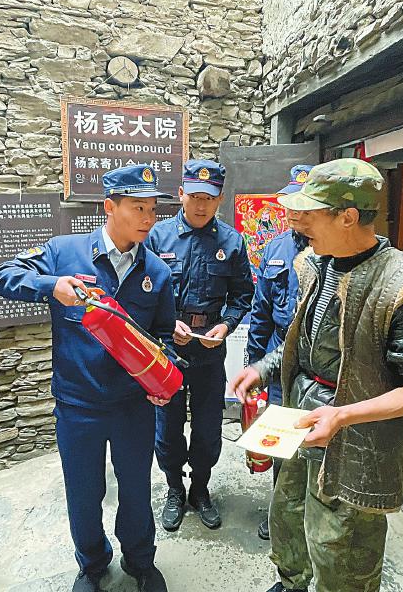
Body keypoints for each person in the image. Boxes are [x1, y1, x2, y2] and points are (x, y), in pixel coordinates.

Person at [230, 159, 403, 592]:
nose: (298, 223)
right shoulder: (315, 265)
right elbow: (302, 343)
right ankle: (291, 582)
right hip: (300, 419)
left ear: (348, 216)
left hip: (359, 436)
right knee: (289, 515)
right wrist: (263, 367)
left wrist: (342, 415)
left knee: (342, 544)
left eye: (310, 214)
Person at [0, 164, 175, 592]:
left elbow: (162, 335)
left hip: (133, 407)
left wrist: (160, 378)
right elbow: (3, 277)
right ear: (109, 207)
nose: (149, 219)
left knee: (136, 490)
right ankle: (92, 564)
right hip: (78, 407)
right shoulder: (64, 252)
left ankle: (140, 562)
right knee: (83, 492)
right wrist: (51, 285)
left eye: (153, 209)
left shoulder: (158, 272)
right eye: (139, 208)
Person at [146, 159, 254, 531]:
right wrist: (165, 324)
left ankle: (201, 489)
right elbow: (144, 294)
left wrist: (225, 325)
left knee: (208, 428)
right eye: (194, 196)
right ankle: (174, 489)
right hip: (168, 352)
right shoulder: (157, 238)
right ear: (181, 194)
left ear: (220, 198)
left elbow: (242, 296)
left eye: (208, 198)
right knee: (167, 427)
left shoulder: (232, 242)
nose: (201, 205)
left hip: (209, 352)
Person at [246, 165, 314, 541]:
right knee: (280, 442)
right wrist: (254, 365)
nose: (293, 212)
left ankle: (310, 517)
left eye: (302, 204)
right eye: (290, 203)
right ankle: (281, 513)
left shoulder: (333, 249)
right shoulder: (274, 248)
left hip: (317, 367)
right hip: (277, 361)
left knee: (314, 443)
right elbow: (260, 314)